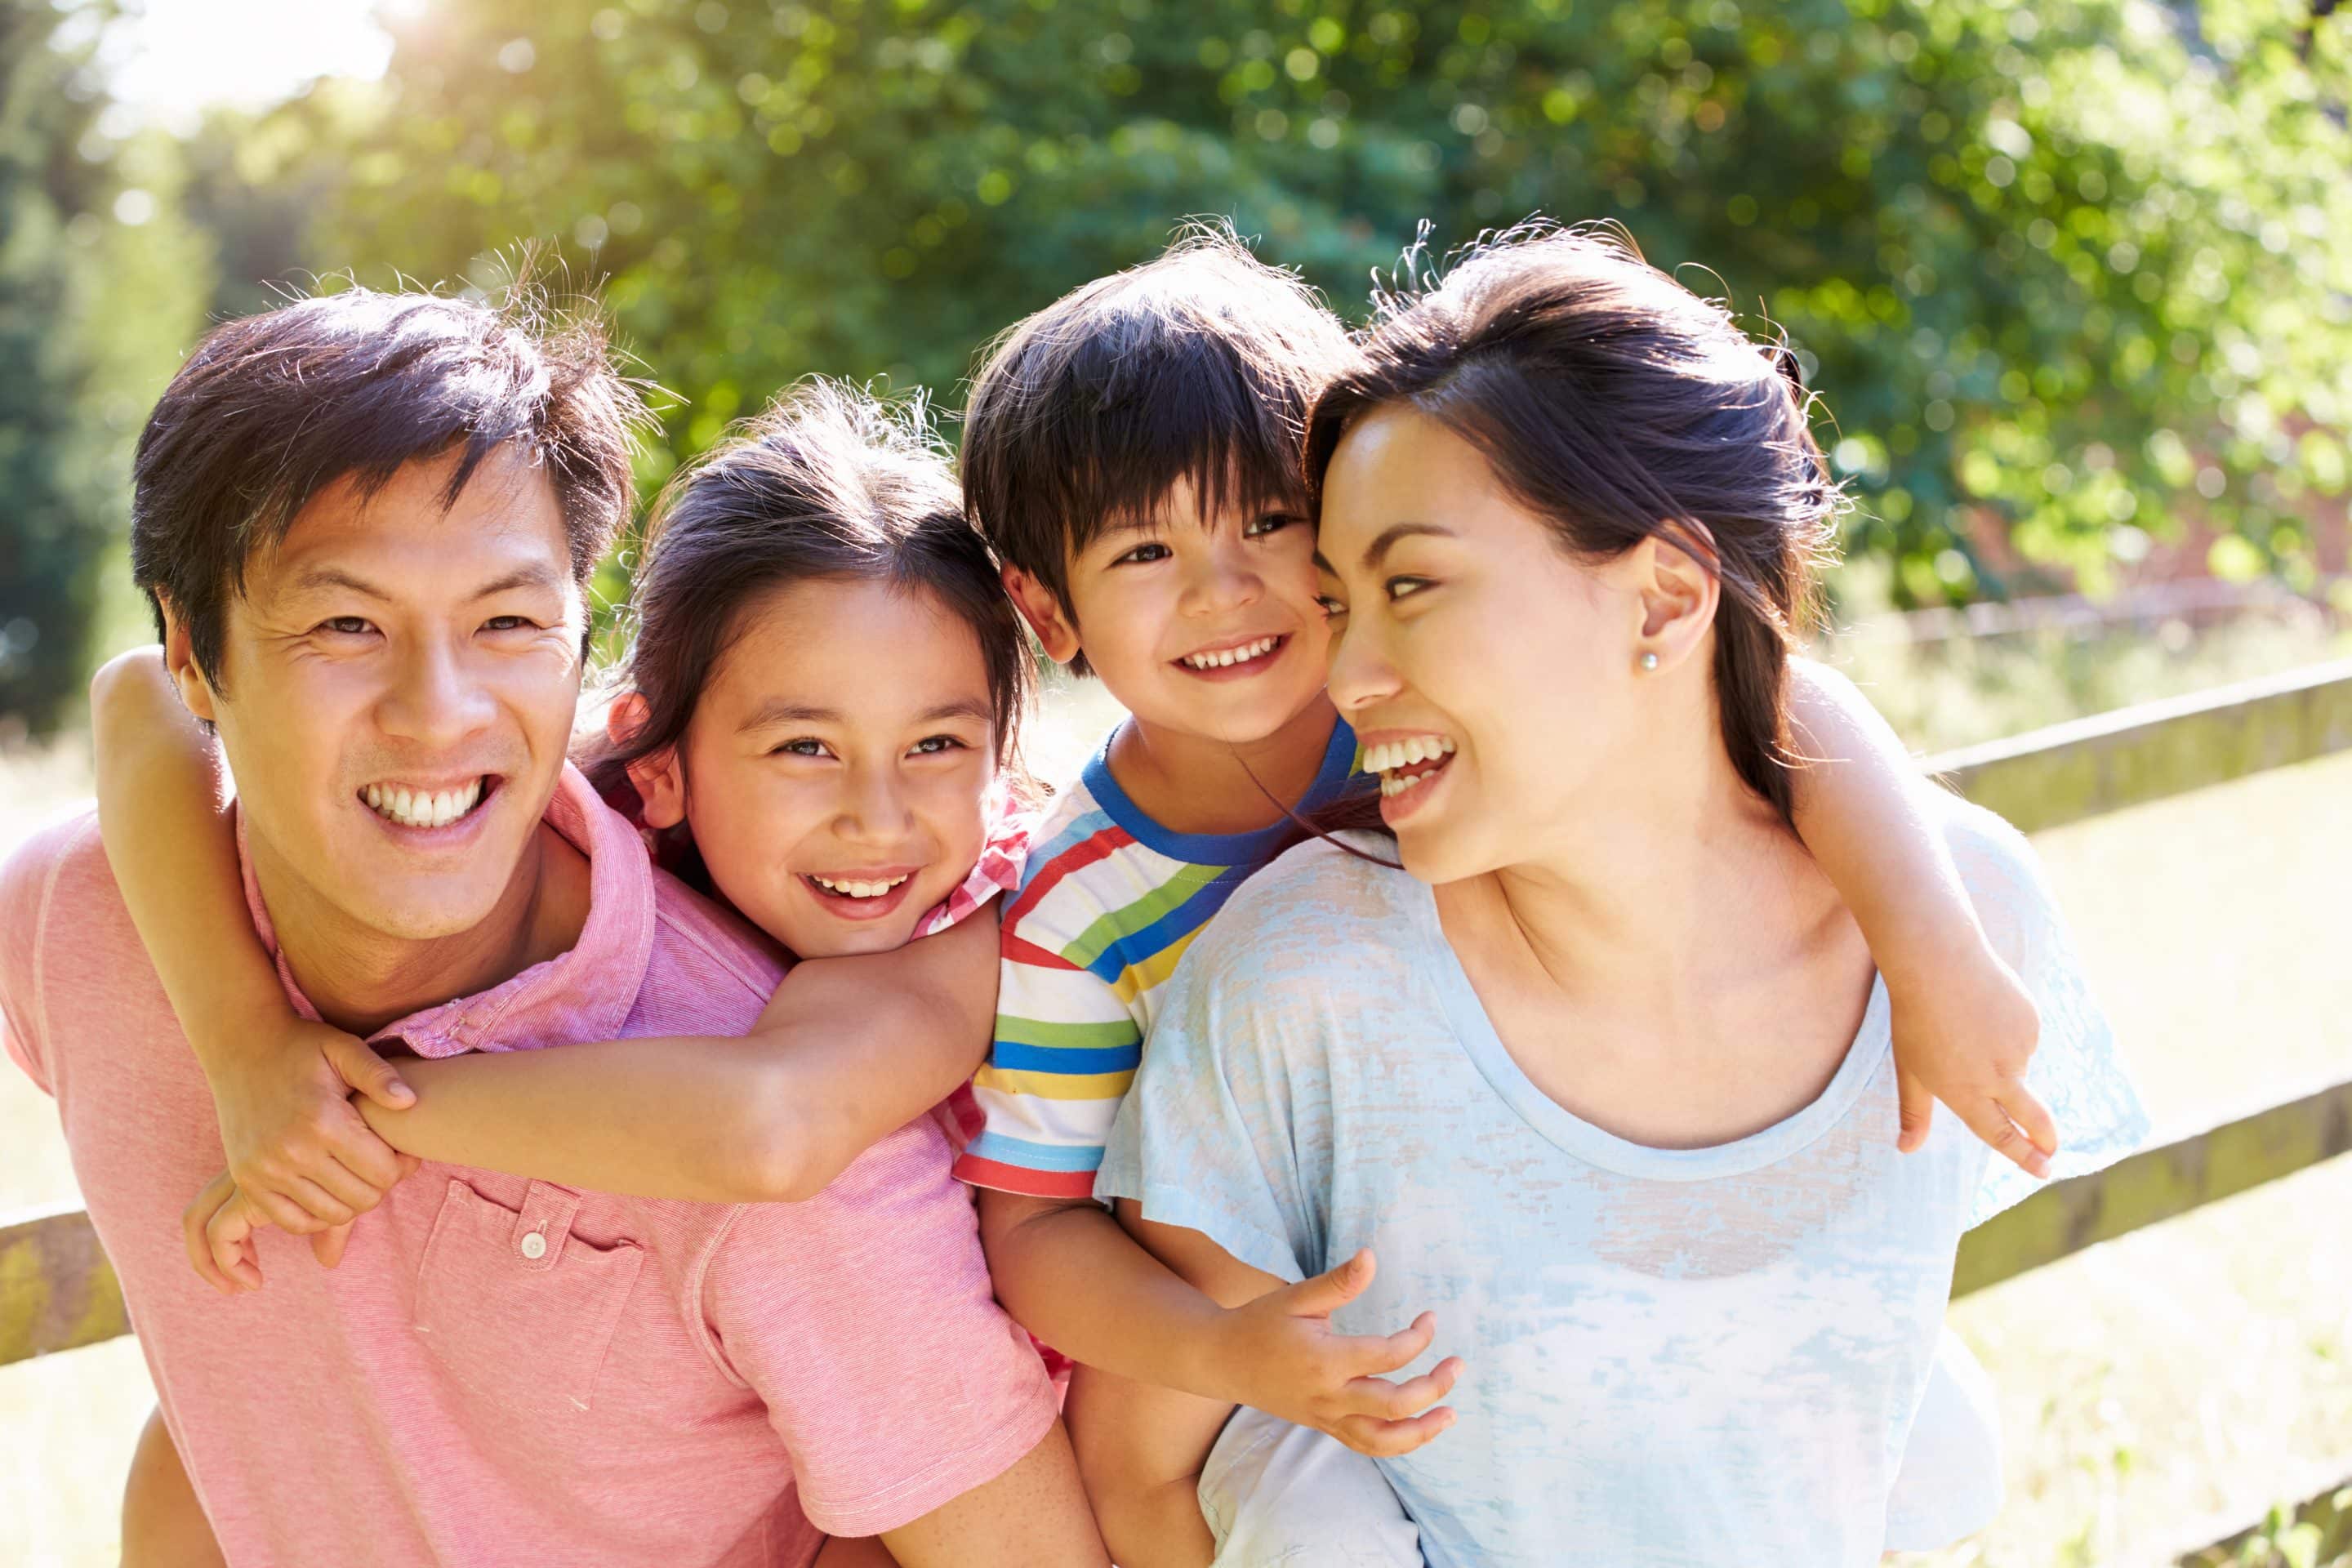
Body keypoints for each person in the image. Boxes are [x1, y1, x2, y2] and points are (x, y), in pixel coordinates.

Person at [950, 228, 2069, 1568]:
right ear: (1047, 608)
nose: (1228, 591)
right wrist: (1226, 1353)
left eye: (1275, 530)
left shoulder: (1418, 720)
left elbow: (1769, 689)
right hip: (1261, 1303)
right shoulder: (1092, 899)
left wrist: (1923, 932)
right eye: (1144, 554)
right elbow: (1038, 1226)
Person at [2, 292, 1102, 1568]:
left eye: (508, 622)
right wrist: (245, 1039)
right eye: (347, 623)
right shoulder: (93, 916)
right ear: (199, 651)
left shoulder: (802, 1155)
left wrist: (349, 1108)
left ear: (583, 645)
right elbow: (130, 703)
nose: (437, 711)